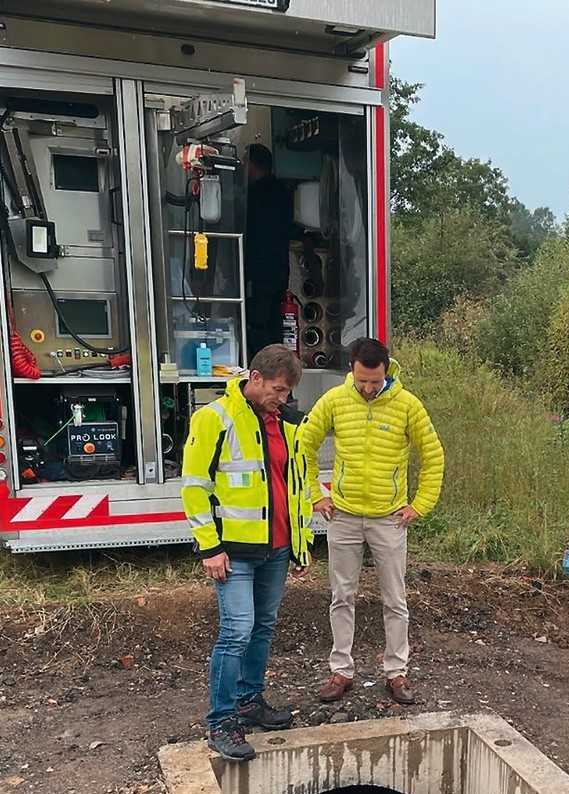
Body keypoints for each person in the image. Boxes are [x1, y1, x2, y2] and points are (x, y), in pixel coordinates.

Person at [181, 344, 313, 762]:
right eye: (277, 390)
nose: (283, 398)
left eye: (287, 392)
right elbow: (194, 487)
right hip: (233, 551)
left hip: (276, 547)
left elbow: (294, 485)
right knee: (236, 631)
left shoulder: (286, 423)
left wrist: (299, 544)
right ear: (255, 378)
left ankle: (249, 700)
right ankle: (221, 720)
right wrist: (210, 546)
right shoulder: (215, 418)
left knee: (261, 628)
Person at [301, 337, 445, 705]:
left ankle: (396, 672)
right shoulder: (334, 400)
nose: (368, 388)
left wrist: (420, 504)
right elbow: (304, 444)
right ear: (352, 370)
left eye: (375, 381)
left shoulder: (407, 405)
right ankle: (341, 671)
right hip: (344, 515)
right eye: (362, 381)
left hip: (388, 519)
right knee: (341, 596)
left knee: (395, 599)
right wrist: (315, 494)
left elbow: (433, 456)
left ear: (387, 371)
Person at [245, 144, 293, 359]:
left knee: (258, 324)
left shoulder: (254, 194)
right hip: (279, 270)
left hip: (259, 270)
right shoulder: (283, 192)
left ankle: (263, 366)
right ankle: (277, 366)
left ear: (252, 165)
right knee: (274, 323)